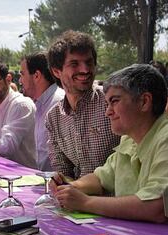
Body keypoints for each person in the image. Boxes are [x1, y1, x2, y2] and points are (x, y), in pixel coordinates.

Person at [50, 64, 168, 235]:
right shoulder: (131, 137)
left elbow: (156, 207)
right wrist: (70, 186)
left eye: (114, 101)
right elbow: (101, 178)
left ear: (144, 102)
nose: (108, 112)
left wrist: (85, 202)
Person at [46, 30, 120, 180]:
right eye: (74, 64)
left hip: (119, 200)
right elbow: (62, 173)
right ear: (56, 71)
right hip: (78, 199)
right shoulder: (53, 118)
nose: (85, 70)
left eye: (89, 62)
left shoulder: (112, 101)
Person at [19, 52, 65, 171]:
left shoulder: (59, 103)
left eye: (22, 74)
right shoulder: (40, 103)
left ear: (37, 76)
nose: (20, 80)